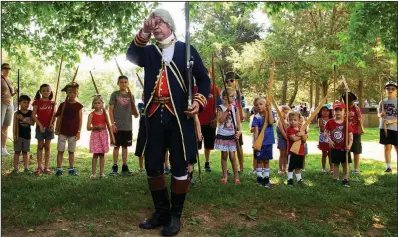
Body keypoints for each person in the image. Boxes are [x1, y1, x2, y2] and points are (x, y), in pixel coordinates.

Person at [126, 9, 210, 236]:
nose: (155, 26)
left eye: (160, 22)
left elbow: (203, 80)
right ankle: (161, 212)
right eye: (153, 23)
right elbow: (132, 55)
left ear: (170, 25)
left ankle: (175, 216)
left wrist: (199, 102)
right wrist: (143, 31)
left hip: (179, 118)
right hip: (154, 117)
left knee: (180, 165)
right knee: (153, 166)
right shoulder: (150, 51)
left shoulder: (186, 49)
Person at [109, 75, 138, 176]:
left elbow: (135, 112)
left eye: (126, 82)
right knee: (116, 146)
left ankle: (125, 167)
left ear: (128, 83)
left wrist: (136, 112)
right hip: (117, 125)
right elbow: (111, 110)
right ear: (118, 83)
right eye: (121, 82)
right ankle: (114, 167)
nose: (124, 84)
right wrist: (112, 124)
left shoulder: (131, 96)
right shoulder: (115, 95)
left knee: (125, 147)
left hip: (127, 126)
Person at [53, 82, 83, 176]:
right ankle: (59, 168)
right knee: (60, 150)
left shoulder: (79, 106)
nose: (72, 94)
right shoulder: (63, 105)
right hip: (62, 131)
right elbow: (58, 117)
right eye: (70, 92)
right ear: (67, 93)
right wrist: (56, 128)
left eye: (74, 92)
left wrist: (78, 132)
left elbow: (80, 119)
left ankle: (71, 168)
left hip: (73, 132)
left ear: (77, 93)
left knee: (71, 151)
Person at [215, 87, 242, 185]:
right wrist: (227, 111)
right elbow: (220, 121)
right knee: (224, 156)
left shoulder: (235, 108)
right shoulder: (220, 108)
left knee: (232, 156)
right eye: (232, 96)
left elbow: (238, 122)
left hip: (232, 135)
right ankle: (225, 176)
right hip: (223, 135)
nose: (234, 98)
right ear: (225, 97)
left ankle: (236, 177)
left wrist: (239, 131)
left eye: (234, 96)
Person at [196, 68, 221, 172]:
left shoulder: (215, 89)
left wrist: (216, 119)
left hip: (210, 121)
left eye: (207, 74)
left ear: (210, 75)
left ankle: (207, 162)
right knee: (195, 144)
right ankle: (193, 163)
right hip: (197, 122)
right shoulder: (195, 89)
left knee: (208, 144)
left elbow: (219, 107)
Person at [324, 102, 353, 187]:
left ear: (344, 112)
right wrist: (329, 140)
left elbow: (351, 136)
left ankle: (345, 179)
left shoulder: (346, 123)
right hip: (335, 147)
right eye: (336, 110)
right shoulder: (330, 122)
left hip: (345, 147)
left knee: (345, 164)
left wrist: (349, 145)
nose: (338, 112)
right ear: (333, 111)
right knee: (335, 164)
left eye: (340, 110)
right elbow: (325, 132)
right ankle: (336, 178)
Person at [31, 84, 56, 175]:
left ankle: (46, 167)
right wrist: (40, 125)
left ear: (50, 92)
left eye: (47, 90)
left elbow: (54, 115)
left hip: (49, 127)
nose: (46, 92)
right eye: (44, 90)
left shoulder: (53, 103)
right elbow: (33, 115)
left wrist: (53, 124)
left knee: (48, 147)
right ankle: (39, 167)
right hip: (40, 127)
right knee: (40, 146)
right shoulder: (37, 102)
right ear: (40, 92)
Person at [252, 97, 275, 188]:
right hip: (260, 143)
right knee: (259, 160)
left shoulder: (271, 114)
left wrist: (269, 110)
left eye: (261, 104)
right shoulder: (256, 117)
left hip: (269, 142)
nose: (259, 106)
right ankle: (259, 178)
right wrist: (256, 142)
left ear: (266, 105)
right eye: (257, 105)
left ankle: (266, 179)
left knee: (266, 160)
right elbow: (256, 131)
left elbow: (270, 122)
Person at [224, 71, 245, 172]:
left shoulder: (238, 94)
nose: (229, 82)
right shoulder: (224, 93)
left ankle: (241, 166)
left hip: (236, 122)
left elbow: (240, 106)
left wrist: (241, 114)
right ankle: (228, 167)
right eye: (227, 81)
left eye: (231, 80)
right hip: (227, 122)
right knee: (227, 146)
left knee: (238, 146)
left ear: (235, 81)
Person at [10, 95, 34, 175]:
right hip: (18, 135)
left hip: (27, 135)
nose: (26, 104)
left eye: (28, 103)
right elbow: (14, 125)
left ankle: (26, 168)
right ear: (19, 103)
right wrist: (14, 135)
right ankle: (15, 168)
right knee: (17, 152)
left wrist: (23, 119)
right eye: (24, 102)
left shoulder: (31, 113)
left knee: (25, 152)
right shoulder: (16, 113)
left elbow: (32, 123)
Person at [87, 95, 110, 179]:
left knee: (102, 154)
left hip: (103, 135)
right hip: (95, 135)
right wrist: (95, 127)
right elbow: (88, 127)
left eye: (99, 103)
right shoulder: (91, 114)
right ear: (93, 104)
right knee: (95, 154)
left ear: (102, 104)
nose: (97, 105)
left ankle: (102, 173)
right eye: (95, 103)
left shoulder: (104, 114)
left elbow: (108, 124)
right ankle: (93, 173)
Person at [341, 92, 364, 173]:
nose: (350, 105)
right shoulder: (342, 109)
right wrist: (346, 115)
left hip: (355, 132)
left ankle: (356, 168)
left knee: (356, 150)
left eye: (351, 102)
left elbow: (360, 119)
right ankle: (347, 167)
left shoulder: (356, 108)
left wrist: (361, 128)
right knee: (347, 150)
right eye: (348, 103)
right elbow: (339, 119)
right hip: (345, 132)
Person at [378, 81, 397, 172]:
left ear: (396, 90)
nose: (390, 90)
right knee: (387, 147)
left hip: (395, 128)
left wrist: (391, 121)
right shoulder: (382, 101)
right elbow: (378, 114)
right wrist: (381, 114)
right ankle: (388, 166)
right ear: (385, 90)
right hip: (384, 127)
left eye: (392, 88)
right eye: (388, 88)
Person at [286, 111, 307, 185]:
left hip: (300, 151)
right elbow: (294, 139)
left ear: (299, 121)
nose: (292, 122)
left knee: (298, 167)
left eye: (294, 120)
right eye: (290, 120)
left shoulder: (301, 129)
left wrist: (303, 135)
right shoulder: (289, 129)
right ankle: (290, 179)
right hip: (292, 152)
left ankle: (299, 179)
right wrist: (301, 135)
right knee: (291, 166)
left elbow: (304, 140)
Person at [1, 63, 18, 156]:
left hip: (10, 104)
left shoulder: (10, 81)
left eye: (9, 68)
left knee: (6, 126)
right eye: (5, 68)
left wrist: (15, 92)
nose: (7, 70)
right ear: (2, 69)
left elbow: (10, 94)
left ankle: (3, 148)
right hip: (1, 103)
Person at [317, 104, 333, 173]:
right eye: (323, 110)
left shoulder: (331, 119)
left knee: (330, 153)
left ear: (330, 112)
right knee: (324, 153)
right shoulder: (320, 119)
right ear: (321, 111)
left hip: (330, 138)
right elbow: (321, 129)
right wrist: (328, 129)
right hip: (323, 138)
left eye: (327, 111)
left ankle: (331, 168)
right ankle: (323, 168)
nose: (325, 112)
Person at [276, 105, 290, 175]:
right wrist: (287, 138)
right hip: (282, 140)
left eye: (287, 112)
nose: (285, 114)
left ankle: (284, 169)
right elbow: (283, 132)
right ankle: (280, 169)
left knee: (286, 155)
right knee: (282, 155)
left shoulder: (287, 121)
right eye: (284, 112)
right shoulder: (280, 121)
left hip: (287, 140)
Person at [135, 93, 146, 172]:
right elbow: (141, 111)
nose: (144, 97)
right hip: (142, 129)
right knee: (140, 147)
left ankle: (148, 165)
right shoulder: (140, 105)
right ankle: (141, 166)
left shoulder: (153, 105)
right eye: (143, 95)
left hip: (151, 129)